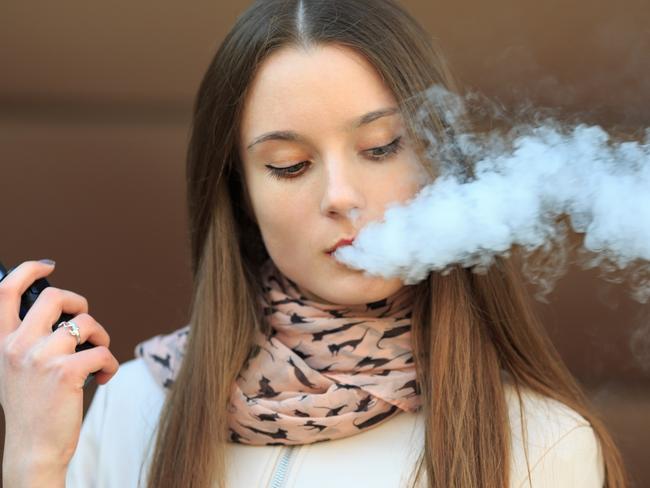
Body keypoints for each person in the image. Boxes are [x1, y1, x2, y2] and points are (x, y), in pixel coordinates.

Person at [0, 0, 629, 486]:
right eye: (289, 164)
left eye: (381, 148)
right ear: (240, 196)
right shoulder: (130, 410)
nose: (341, 195)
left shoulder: (542, 445)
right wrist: (32, 459)